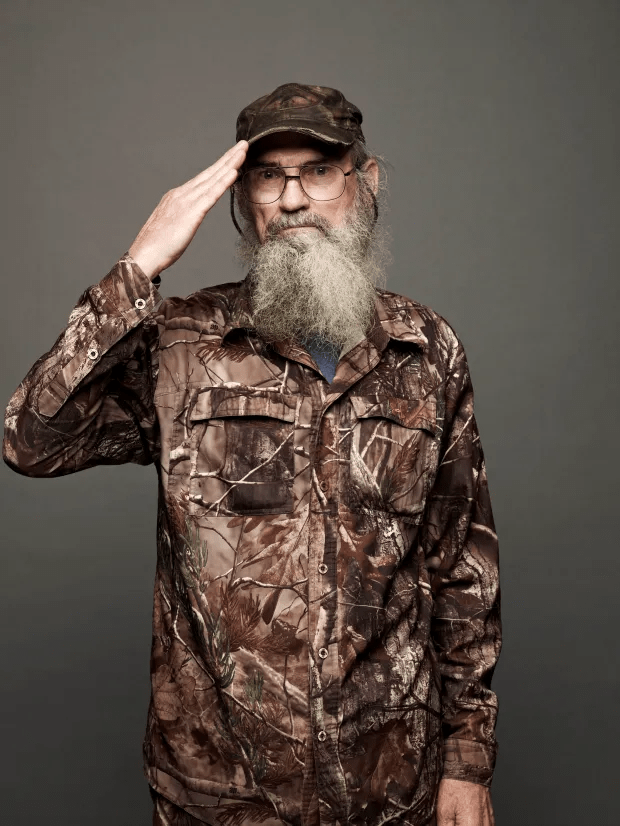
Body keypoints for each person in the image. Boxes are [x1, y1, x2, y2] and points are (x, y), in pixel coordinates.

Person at [3, 83, 501, 826]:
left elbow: (460, 564)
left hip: (392, 783)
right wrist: (136, 270)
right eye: (269, 174)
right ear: (244, 198)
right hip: (221, 797)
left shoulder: (426, 352)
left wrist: (467, 759)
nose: (293, 198)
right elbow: (30, 439)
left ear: (364, 183)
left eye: (318, 171)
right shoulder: (182, 344)